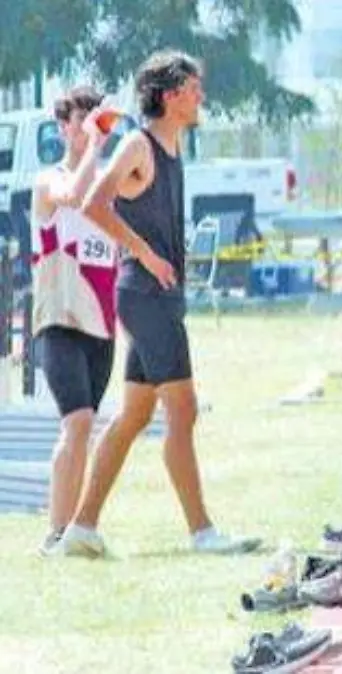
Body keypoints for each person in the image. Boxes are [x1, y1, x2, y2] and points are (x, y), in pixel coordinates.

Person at [55, 51, 261, 558]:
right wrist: (145, 254)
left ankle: (81, 528)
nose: (200, 97)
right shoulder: (137, 145)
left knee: (134, 415)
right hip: (146, 295)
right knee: (183, 409)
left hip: (158, 296)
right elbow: (92, 204)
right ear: (170, 96)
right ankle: (202, 532)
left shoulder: (171, 148)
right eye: (193, 88)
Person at [30, 86, 116, 555]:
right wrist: (95, 146)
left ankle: (74, 530)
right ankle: (55, 534)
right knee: (78, 421)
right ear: (63, 127)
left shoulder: (107, 183)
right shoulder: (49, 179)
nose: (89, 131)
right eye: (81, 122)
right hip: (59, 319)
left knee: (87, 427)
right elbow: (72, 194)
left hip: (101, 326)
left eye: (96, 122)